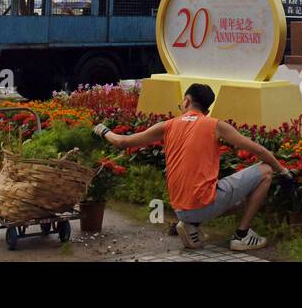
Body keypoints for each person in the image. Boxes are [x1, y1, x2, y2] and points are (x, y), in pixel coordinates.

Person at [93, 83, 291, 251]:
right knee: (265, 170)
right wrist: (283, 171)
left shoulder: (168, 125)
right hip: (204, 204)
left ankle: (192, 224)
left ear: (186, 102)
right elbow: (263, 153)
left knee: (237, 198)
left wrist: (103, 130)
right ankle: (241, 236)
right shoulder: (215, 125)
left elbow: (122, 142)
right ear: (206, 110)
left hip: (179, 208)